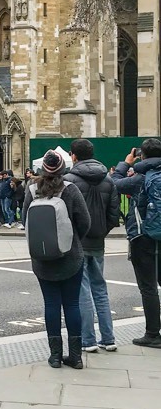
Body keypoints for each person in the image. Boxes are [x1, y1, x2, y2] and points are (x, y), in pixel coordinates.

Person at [22, 150, 90, 369]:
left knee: (51, 304)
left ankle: (54, 356)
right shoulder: (71, 190)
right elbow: (85, 222)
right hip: (70, 256)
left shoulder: (31, 190)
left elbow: (26, 221)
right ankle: (76, 356)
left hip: (42, 258)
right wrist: (73, 239)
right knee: (71, 304)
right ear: (63, 169)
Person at [66, 139, 121, 352]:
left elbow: (66, 215)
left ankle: (88, 340)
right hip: (98, 240)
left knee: (83, 290)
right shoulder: (108, 179)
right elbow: (113, 215)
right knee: (100, 289)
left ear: (74, 156)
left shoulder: (69, 179)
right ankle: (109, 338)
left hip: (78, 242)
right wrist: (101, 232)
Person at [112, 139, 161, 348]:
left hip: (143, 237)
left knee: (148, 287)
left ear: (142, 155)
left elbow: (114, 183)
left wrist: (125, 163)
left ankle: (152, 334)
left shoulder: (140, 178)